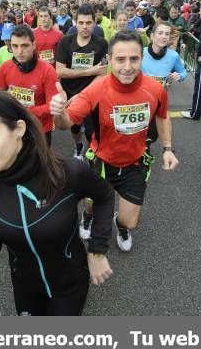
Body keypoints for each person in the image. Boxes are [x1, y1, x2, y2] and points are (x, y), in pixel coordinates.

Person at [0, 91, 114, 315]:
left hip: (70, 284)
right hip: (25, 285)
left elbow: (105, 196)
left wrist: (98, 250)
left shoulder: (68, 172)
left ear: (19, 130)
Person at [50, 30, 179, 252]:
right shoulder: (96, 90)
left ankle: (121, 224)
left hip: (134, 164)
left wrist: (168, 148)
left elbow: (162, 115)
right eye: (120, 59)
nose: (127, 66)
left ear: (142, 58)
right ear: (109, 60)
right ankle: (88, 216)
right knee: (91, 203)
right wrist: (58, 112)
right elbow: (65, 123)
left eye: (134, 59)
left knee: (130, 222)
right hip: (102, 162)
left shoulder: (155, 89)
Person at [55, 3, 109, 160]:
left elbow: (102, 74)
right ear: (75, 22)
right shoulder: (65, 42)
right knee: (74, 127)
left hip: (92, 93)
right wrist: (89, 71)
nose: (85, 27)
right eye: (81, 23)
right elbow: (60, 71)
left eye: (88, 23)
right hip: (70, 92)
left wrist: (84, 94)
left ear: (94, 23)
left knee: (92, 130)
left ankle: (93, 151)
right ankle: (78, 145)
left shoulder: (101, 44)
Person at [0, 25, 58, 145]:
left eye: (25, 46)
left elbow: (52, 106)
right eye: (15, 46)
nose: (19, 51)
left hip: (40, 128)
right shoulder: (5, 67)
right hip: (14, 126)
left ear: (34, 45)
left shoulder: (47, 70)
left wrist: (24, 111)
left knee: (40, 162)